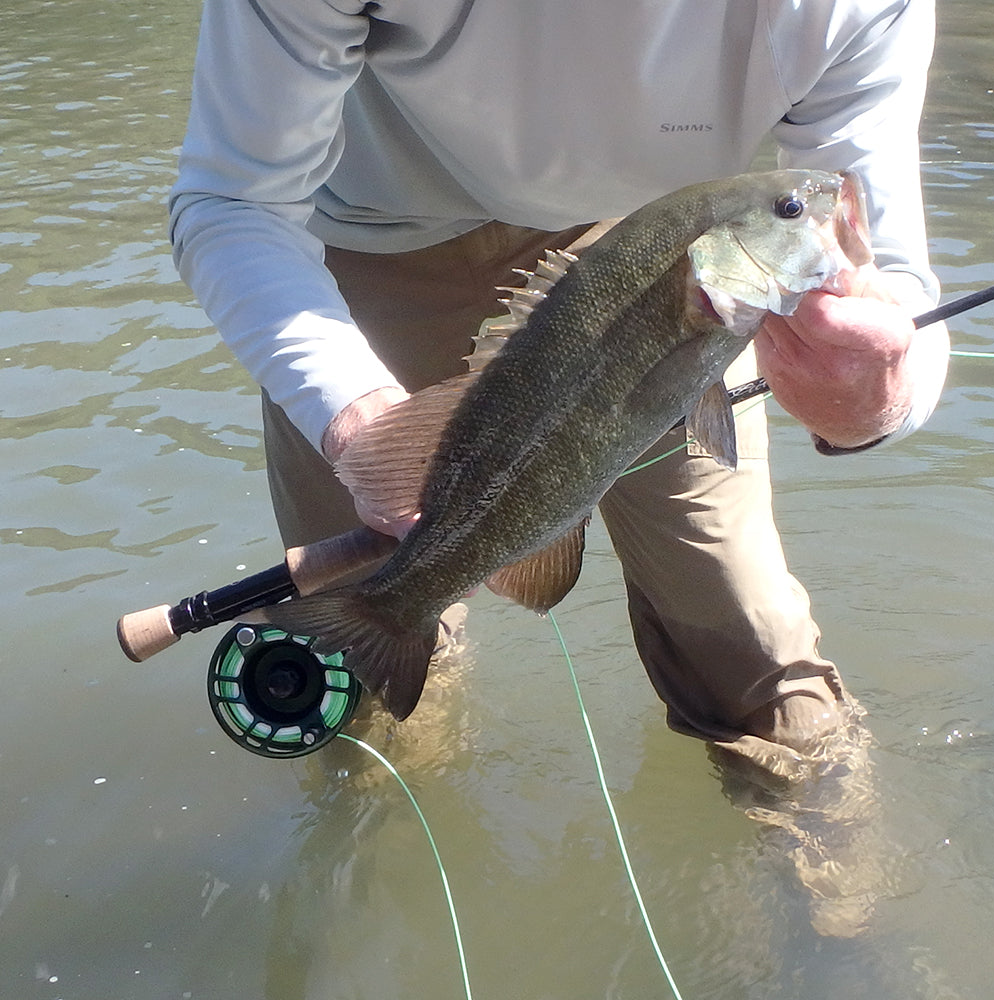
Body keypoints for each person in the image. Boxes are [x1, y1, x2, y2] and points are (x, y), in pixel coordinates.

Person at [169, 0, 949, 779]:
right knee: (350, 668)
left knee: (752, 650)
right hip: (362, 242)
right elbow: (234, 199)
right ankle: (385, 772)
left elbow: (893, 277)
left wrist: (871, 400)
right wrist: (360, 421)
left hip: (649, 258)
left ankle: (821, 859)